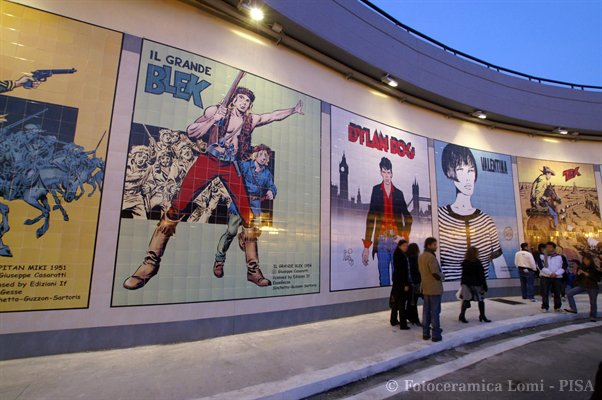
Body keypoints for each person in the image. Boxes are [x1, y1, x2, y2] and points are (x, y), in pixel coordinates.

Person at [123, 86, 304, 290]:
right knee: (177, 206)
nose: (243, 102)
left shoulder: (249, 121)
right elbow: (192, 131)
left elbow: (272, 116)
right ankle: (150, 263)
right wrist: (213, 120)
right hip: (209, 160)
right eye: (240, 98)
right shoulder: (214, 111)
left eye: (247, 100)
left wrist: (292, 110)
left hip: (231, 166)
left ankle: (253, 270)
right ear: (234, 100)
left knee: (248, 216)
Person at [437, 144, 509, 281]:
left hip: (480, 287)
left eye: (470, 170)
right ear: (449, 172)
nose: (468, 177)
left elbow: (501, 267)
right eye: (460, 170)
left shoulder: (486, 221)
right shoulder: (439, 217)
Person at [213, 144, 277, 282]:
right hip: (239, 203)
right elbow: (232, 168)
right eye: (261, 154)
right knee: (231, 231)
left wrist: (272, 191)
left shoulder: (267, 174)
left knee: (252, 236)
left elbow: (272, 186)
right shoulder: (245, 166)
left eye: (266, 156)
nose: (263, 157)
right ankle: (219, 260)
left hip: (254, 206)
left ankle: (253, 272)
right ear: (256, 155)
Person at [362, 157, 413, 286]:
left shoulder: (399, 194)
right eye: (384, 172)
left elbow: (408, 217)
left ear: (392, 173)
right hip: (382, 241)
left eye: (389, 172)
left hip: (397, 241)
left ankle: (398, 304)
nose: (386, 175)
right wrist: (366, 247)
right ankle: (389, 304)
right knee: (384, 280)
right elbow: (371, 218)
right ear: (380, 173)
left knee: (399, 278)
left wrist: (404, 237)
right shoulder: (376, 191)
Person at [419, 237, 444, 342]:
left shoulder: (421, 256)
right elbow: (435, 273)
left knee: (426, 312)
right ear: (428, 245)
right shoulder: (431, 257)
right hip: (434, 288)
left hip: (425, 287)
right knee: (435, 312)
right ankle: (436, 334)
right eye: (434, 244)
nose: (436, 246)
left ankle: (425, 333)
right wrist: (442, 276)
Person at [458, 246, 491, 323]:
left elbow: (464, 275)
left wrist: (462, 284)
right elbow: (481, 275)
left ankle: (462, 315)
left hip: (467, 284)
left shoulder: (465, 263)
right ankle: (482, 315)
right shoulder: (477, 263)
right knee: (480, 301)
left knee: (466, 300)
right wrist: (484, 285)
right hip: (477, 284)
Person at [564, 254, 601, 322]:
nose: (585, 261)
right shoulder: (581, 267)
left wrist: (586, 274)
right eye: (584, 260)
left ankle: (593, 316)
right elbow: (578, 278)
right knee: (569, 293)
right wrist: (578, 274)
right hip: (583, 285)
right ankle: (573, 309)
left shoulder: (595, 268)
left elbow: (597, 279)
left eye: (587, 260)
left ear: (590, 260)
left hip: (592, 287)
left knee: (593, 302)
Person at [391, 240, 411, 330]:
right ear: (399, 246)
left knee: (396, 302)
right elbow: (403, 272)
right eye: (404, 246)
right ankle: (403, 324)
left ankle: (393, 320)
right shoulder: (401, 256)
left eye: (407, 246)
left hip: (396, 283)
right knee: (402, 303)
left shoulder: (397, 254)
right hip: (401, 283)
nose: (406, 247)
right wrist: (406, 284)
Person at [540, 241, 565, 312]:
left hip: (557, 277)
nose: (548, 248)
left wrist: (556, 273)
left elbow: (563, 266)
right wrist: (550, 273)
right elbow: (540, 266)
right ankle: (545, 307)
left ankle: (557, 307)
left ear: (554, 248)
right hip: (545, 276)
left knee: (557, 292)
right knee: (545, 292)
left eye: (550, 247)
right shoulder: (542, 256)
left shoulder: (559, 256)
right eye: (547, 247)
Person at [406, 242, 422, 326]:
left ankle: (410, 317)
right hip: (416, 283)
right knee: (414, 301)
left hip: (410, 283)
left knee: (411, 301)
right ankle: (415, 319)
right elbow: (418, 271)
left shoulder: (407, 258)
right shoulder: (416, 258)